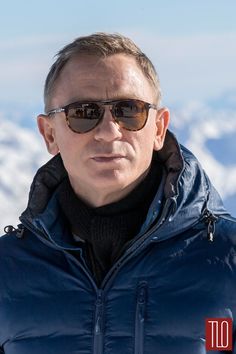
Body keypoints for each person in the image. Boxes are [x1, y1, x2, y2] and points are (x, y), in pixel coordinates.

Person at [0, 32, 235, 354]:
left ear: (158, 128)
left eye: (129, 110)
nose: (109, 131)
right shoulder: (8, 269)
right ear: (49, 133)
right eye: (83, 113)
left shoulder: (226, 258)